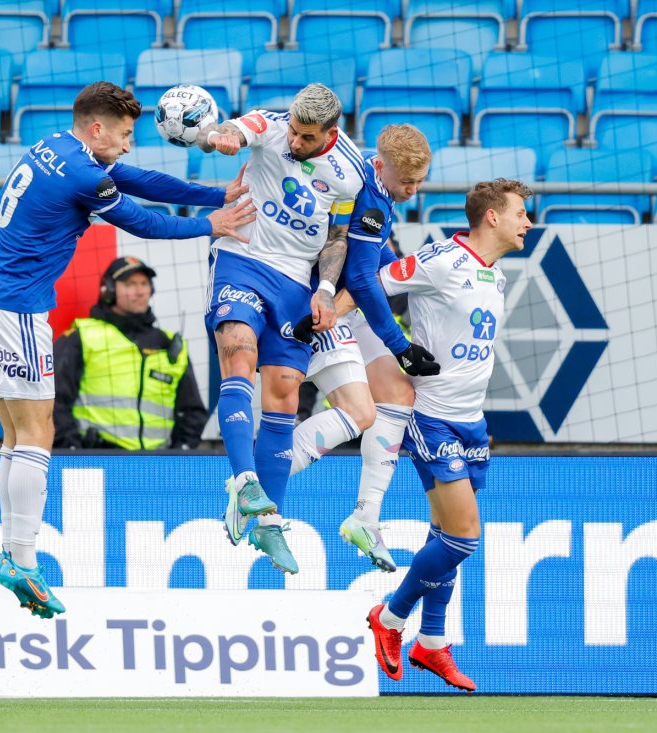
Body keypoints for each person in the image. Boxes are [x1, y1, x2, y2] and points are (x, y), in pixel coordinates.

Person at [0, 81, 255, 619]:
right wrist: (210, 226)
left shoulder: (58, 145)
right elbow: (141, 221)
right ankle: (22, 558)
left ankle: (13, 550)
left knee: (14, 433)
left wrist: (216, 194)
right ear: (97, 128)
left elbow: (138, 177)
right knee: (37, 432)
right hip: (15, 309)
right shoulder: (81, 173)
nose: (126, 146)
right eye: (123, 135)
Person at [365, 178, 533, 693]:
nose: (529, 222)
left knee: (446, 537)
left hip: (471, 420)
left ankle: (432, 643)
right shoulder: (440, 260)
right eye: (521, 213)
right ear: (491, 217)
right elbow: (372, 285)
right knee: (464, 535)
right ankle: (390, 620)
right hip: (431, 415)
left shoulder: (495, 276)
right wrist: (324, 317)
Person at [195, 84, 364, 573]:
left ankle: (270, 522)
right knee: (238, 351)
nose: (294, 140)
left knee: (286, 395)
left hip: (294, 279)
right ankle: (243, 480)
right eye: (292, 128)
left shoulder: (349, 175)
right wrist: (217, 137)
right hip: (242, 257)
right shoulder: (271, 126)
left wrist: (327, 290)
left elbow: (337, 239)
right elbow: (231, 131)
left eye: (306, 136)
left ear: (330, 133)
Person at [287, 124, 438, 574]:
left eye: (420, 182)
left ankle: (366, 517)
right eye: (406, 182)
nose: (412, 190)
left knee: (398, 396)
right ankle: (257, 476)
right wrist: (401, 344)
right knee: (351, 410)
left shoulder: (380, 187)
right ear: (380, 165)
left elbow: (374, 267)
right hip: (320, 305)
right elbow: (364, 280)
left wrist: (410, 268)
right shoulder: (369, 198)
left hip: (347, 302)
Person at [53, 256, 208, 451]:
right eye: (130, 284)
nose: (140, 291)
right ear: (108, 290)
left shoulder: (170, 344)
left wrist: (179, 454)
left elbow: (193, 412)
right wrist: (73, 450)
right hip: (96, 460)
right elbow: (53, 400)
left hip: (157, 466)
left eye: (144, 283)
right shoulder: (82, 336)